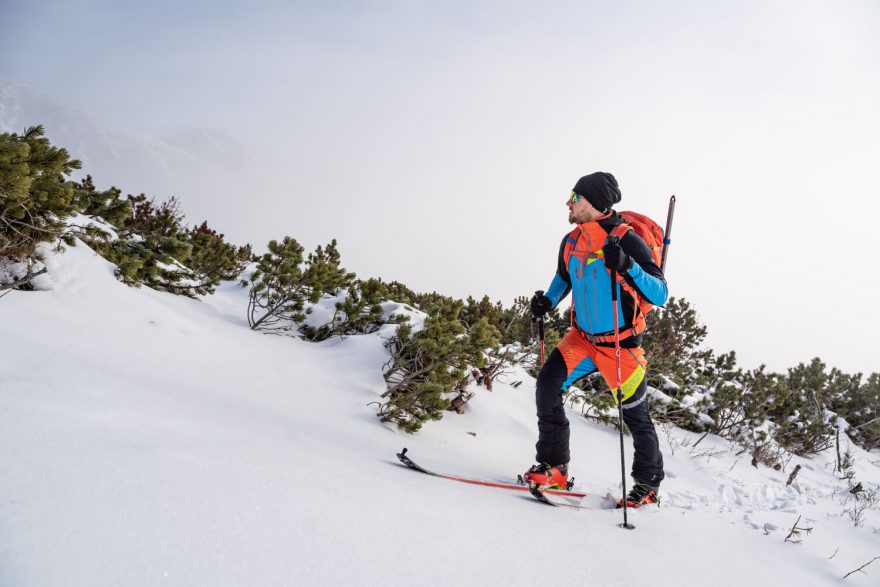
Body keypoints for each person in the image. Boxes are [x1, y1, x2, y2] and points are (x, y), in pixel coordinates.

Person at [522, 171, 668, 508]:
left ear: (592, 203)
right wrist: (548, 300)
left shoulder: (625, 239)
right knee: (547, 386)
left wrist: (628, 265)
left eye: (574, 198)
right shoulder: (571, 241)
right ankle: (554, 468)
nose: (568, 204)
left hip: (620, 346)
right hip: (581, 340)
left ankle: (647, 486)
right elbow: (564, 277)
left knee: (636, 416)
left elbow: (661, 293)